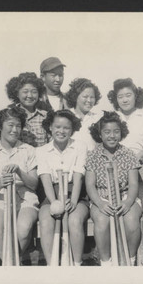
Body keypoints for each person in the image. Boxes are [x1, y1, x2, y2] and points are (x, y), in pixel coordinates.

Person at [0, 106, 39, 262]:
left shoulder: (29, 150)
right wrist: (0, 183)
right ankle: (13, 265)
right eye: (10, 125)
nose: (15, 130)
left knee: (23, 229)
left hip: (26, 198)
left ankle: (11, 266)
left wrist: (20, 172)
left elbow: (34, 185)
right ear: (0, 126)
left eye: (18, 126)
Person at [85, 111, 142, 266]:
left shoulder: (128, 154)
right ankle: (106, 262)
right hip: (102, 198)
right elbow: (90, 185)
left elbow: (134, 184)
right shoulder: (93, 155)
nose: (112, 136)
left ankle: (130, 260)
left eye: (116, 132)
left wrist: (128, 202)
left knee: (130, 220)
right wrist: (101, 203)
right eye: (107, 132)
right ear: (100, 134)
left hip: (125, 197)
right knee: (102, 222)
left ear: (121, 133)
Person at [36, 110, 89, 266]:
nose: (61, 131)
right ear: (50, 127)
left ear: (72, 130)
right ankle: (52, 265)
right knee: (46, 220)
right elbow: (45, 179)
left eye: (66, 128)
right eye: (57, 127)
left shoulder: (80, 146)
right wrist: (55, 202)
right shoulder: (41, 150)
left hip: (76, 194)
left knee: (74, 220)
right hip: (52, 193)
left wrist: (72, 202)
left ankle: (76, 264)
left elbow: (79, 176)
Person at [107, 78, 143, 211]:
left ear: (136, 96)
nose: (124, 100)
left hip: (140, 169)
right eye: (120, 96)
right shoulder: (111, 118)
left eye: (128, 95)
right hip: (116, 170)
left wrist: (135, 158)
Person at [6, 72, 49, 147]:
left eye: (34, 92)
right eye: (25, 92)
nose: (30, 96)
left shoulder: (45, 116)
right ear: (17, 94)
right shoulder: (8, 116)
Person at [64, 78, 103, 151]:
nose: (89, 100)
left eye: (92, 97)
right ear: (75, 97)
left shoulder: (98, 118)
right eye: (85, 97)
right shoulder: (66, 116)